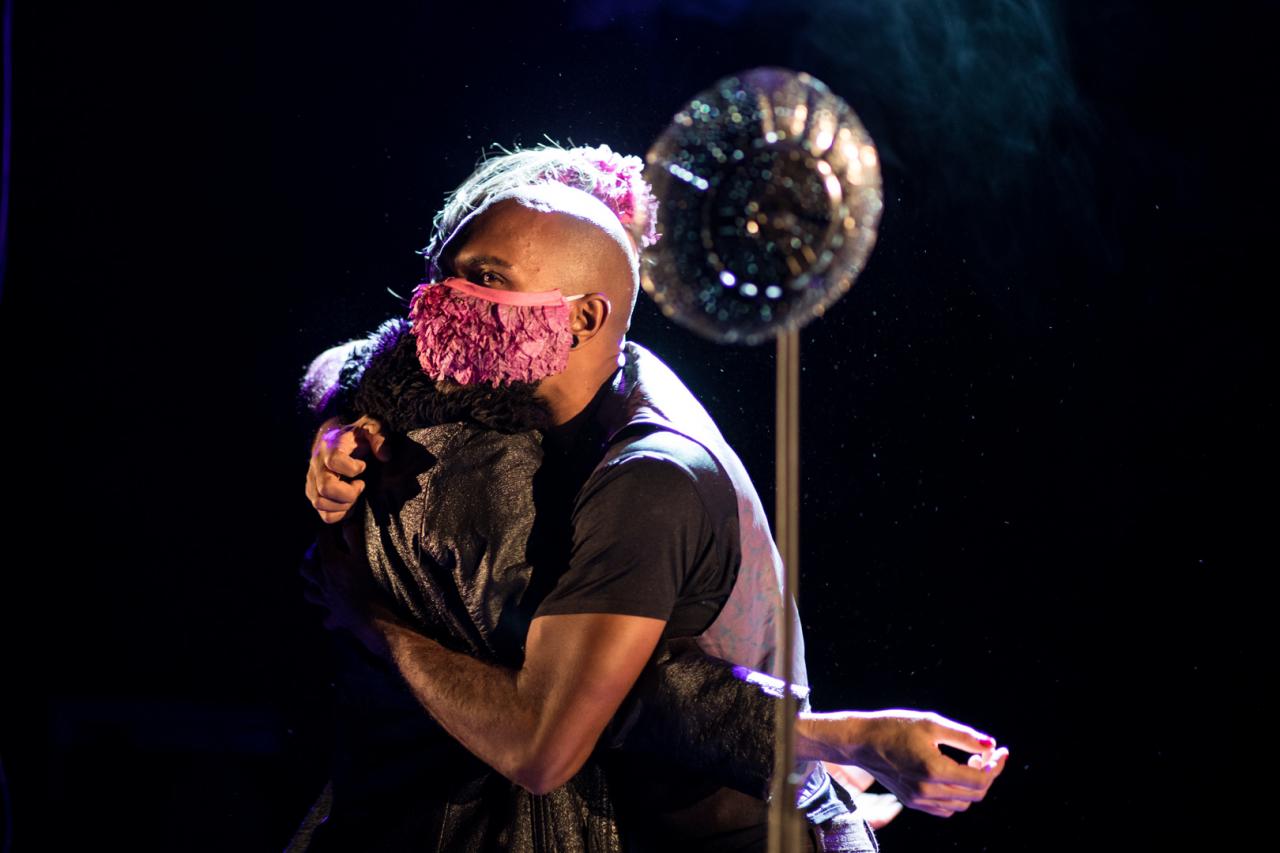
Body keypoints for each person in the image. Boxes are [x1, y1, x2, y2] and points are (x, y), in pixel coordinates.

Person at [297, 143, 1009, 851]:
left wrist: (369, 614)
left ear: (584, 313)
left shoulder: (644, 477)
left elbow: (558, 733)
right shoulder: (553, 384)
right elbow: (363, 359)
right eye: (444, 273)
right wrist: (338, 421)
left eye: (486, 277)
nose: (441, 303)